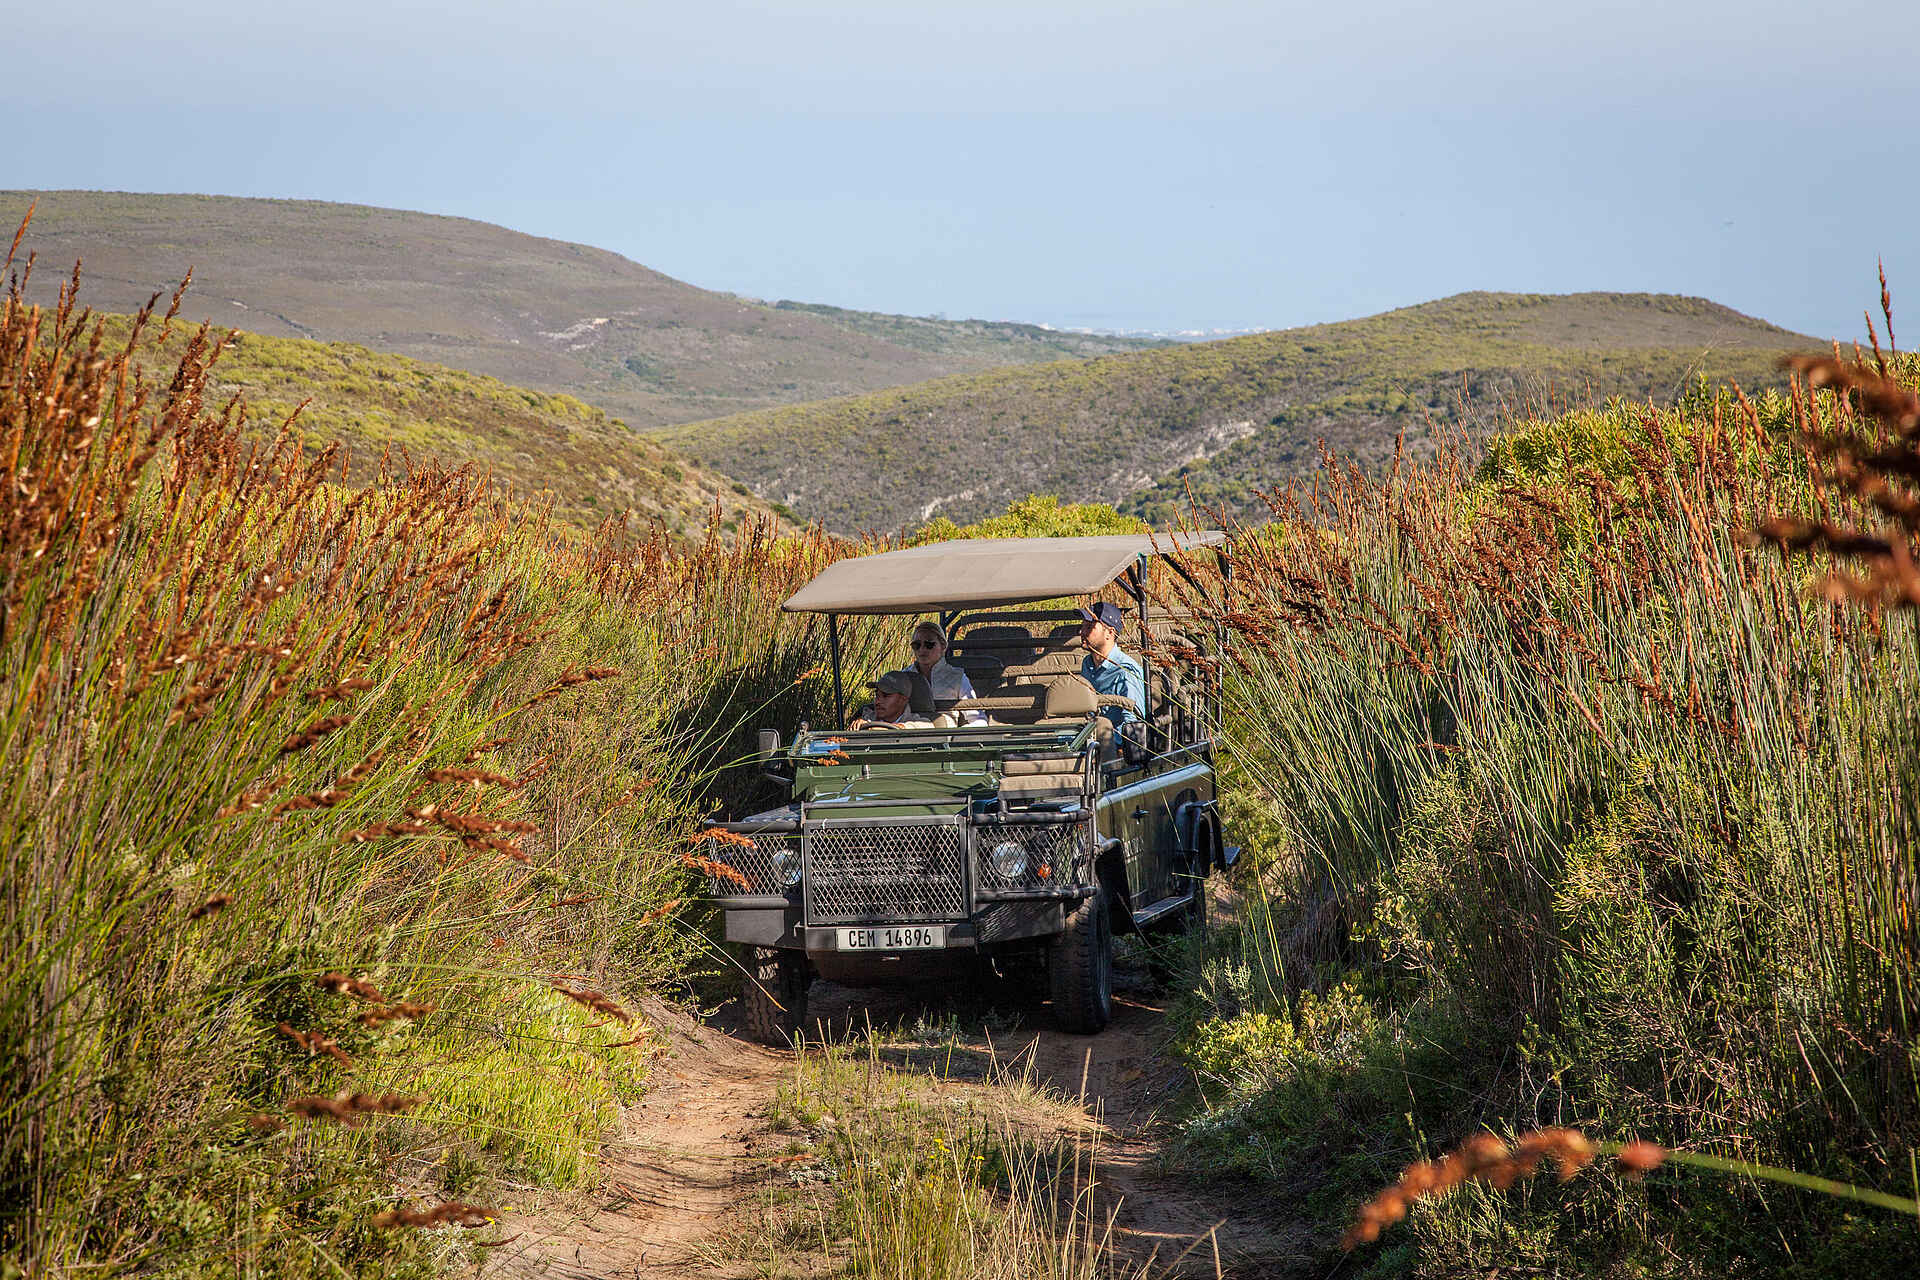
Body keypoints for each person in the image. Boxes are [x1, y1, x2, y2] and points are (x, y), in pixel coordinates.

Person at [1077, 600, 1145, 729]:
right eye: (1082, 626)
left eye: (1089, 627)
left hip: (1114, 744)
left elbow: (1133, 724)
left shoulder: (1126, 670)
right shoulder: (1087, 663)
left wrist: (1112, 744)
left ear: (1109, 633)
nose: (1081, 632)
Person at [908, 620, 986, 725]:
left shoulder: (957, 678)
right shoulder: (904, 677)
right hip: (907, 734)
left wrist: (959, 738)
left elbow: (978, 719)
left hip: (944, 735)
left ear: (943, 646)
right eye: (916, 645)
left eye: (929, 644)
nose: (922, 649)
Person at [849, 669, 934, 730]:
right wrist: (858, 725)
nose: (877, 701)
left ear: (903, 699)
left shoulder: (919, 722)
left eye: (886, 695)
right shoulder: (866, 717)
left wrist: (887, 729)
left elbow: (926, 728)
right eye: (877, 695)